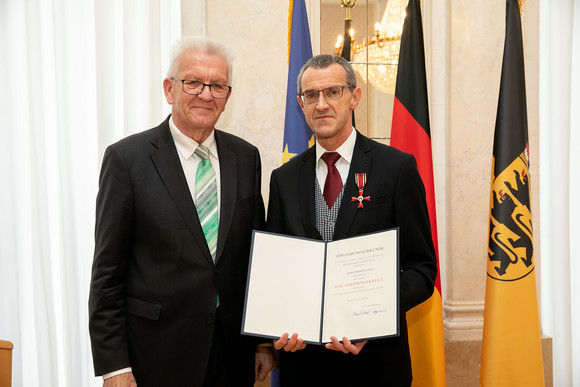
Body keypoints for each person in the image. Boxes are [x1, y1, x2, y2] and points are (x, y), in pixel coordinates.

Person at [88, 36, 275, 387]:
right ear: (169, 89)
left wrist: (263, 341)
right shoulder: (127, 160)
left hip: (232, 355)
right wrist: (114, 366)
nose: (206, 94)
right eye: (193, 82)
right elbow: (107, 273)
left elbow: (256, 259)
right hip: (156, 356)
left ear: (227, 97)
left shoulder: (245, 157)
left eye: (217, 85)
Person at [266, 54, 437, 386]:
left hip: (376, 365)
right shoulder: (283, 179)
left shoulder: (396, 169)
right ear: (301, 104)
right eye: (311, 95)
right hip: (304, 367)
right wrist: (277, 325)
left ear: (354, 97)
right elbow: (276, 271)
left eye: (333, 92)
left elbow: (421, 269)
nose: (321, 104)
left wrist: (368, 318)